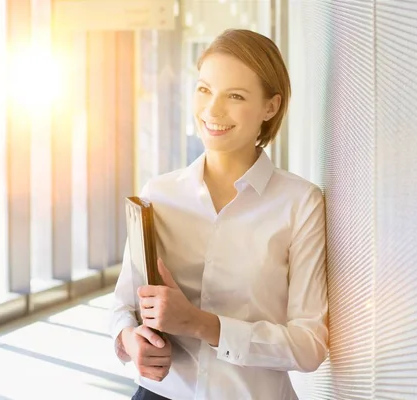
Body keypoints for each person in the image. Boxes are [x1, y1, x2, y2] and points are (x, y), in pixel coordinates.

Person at [109, 29, 328, 400]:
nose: (213, 110)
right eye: (204, 89)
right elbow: (124, 304)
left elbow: (309, 346)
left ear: (270, 107)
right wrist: (130, 341)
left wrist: (201, 325)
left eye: (236, 96)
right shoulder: (158, 194)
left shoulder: (300, 203)